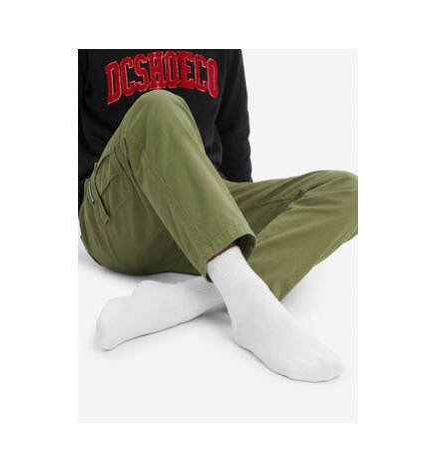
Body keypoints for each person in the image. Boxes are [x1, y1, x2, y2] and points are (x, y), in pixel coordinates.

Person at [78, 49, 358, 383]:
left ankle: (194, 296)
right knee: (158, 105)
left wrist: (228, 223)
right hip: (120, 216)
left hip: (199, 215)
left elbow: (233, 136)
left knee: (349, 191)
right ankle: (248, 302)